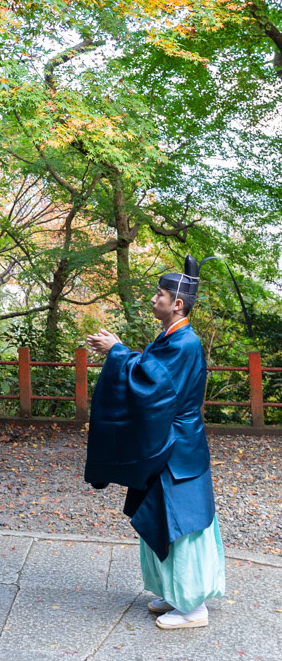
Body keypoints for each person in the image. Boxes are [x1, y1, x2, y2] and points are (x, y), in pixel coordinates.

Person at [85, 255, 225, 631]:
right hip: (168, 441)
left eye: (159, 294)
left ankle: (193, 605)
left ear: (177, 303)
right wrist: (119, 351)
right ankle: (175, 592)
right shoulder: (172, 337)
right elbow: (151, 371)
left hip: (176, 447)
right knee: (161, 515)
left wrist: (116, 350)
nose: (153, 299)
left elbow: (153, 384)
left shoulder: (184, 343)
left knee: (181, 522)